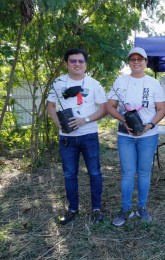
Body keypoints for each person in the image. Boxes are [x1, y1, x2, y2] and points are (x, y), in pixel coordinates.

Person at [106, 47, 165, 226]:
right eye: (132, 59)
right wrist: (123, 120)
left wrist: (150, 125)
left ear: (146, 62)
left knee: (143, 172)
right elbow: (110, 106)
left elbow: (162, 109)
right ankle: (125, 209)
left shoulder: (153, 83)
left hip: (148, 135)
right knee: (127, 173)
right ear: (129, 63)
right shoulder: (120, 82)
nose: (136, 61)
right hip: (126, 134)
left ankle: (142, 207)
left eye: (140, 59)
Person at [47, 48, 108, 225]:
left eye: (80, 61)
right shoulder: (58, 83)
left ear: (85, 64)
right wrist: (57, 122)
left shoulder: (94, 84)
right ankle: (73, 209)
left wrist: (85, 120)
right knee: (69, 174)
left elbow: (104, 108)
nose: (77, 64)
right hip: (67, 137)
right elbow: (51, 106)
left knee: (95, 173)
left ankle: (96, 209)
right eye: (73, 61)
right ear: (66, 63)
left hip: (89, 135)